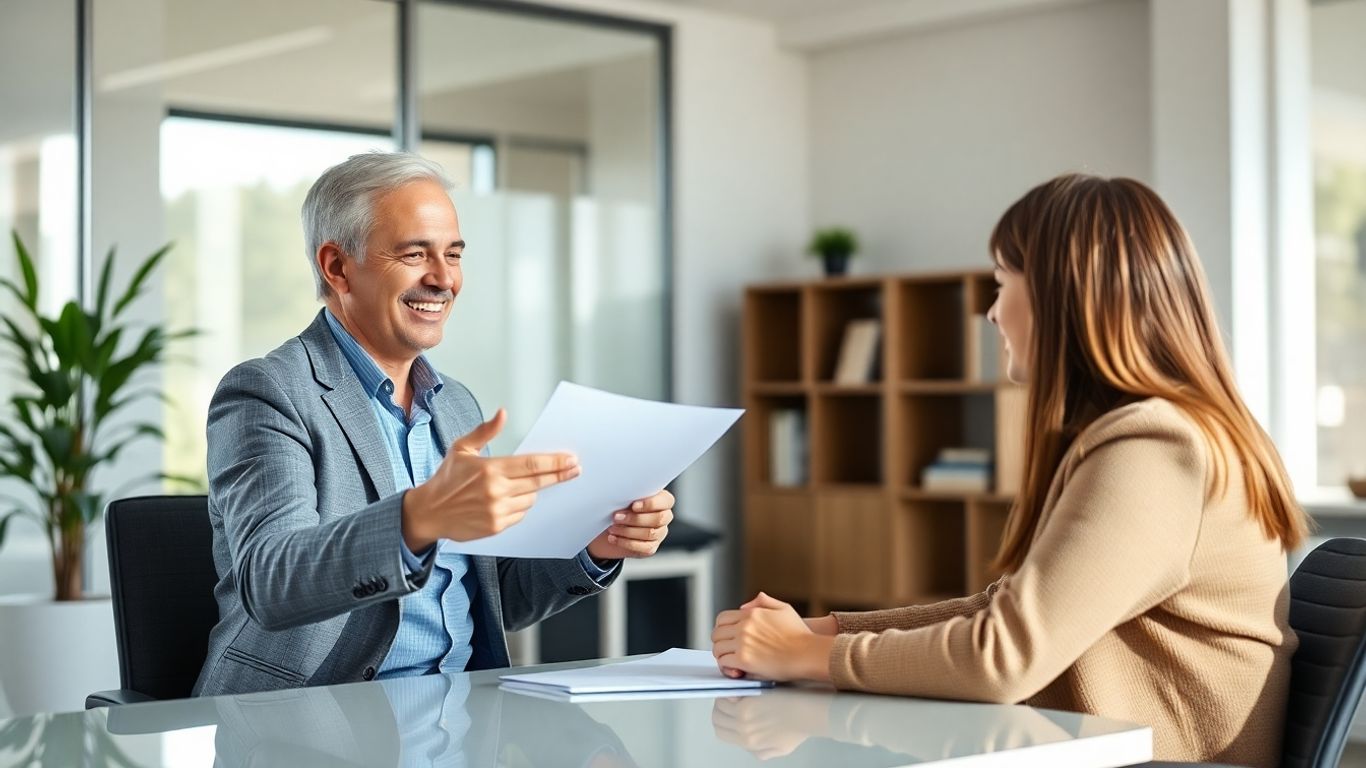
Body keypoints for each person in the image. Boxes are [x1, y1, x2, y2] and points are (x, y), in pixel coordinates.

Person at [711, 173, 1309, 767]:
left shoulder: (1157, 449)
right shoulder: (1158, 434)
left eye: (1002, 285)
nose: (993, 315)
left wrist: (806, 658)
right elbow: (1002, 612)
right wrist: (819, 632)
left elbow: (1000, 657)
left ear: (1064, 295)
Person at [194, 151, 674, 696]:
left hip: (460, 715)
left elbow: (499, 599)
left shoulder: (456, 407)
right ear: (337, 267)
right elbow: (272, 580)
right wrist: (420, 516)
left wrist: (595, 543)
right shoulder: (269, 392)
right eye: (415, 253)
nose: (444, 278)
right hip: (308, 719)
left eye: (453, 254)